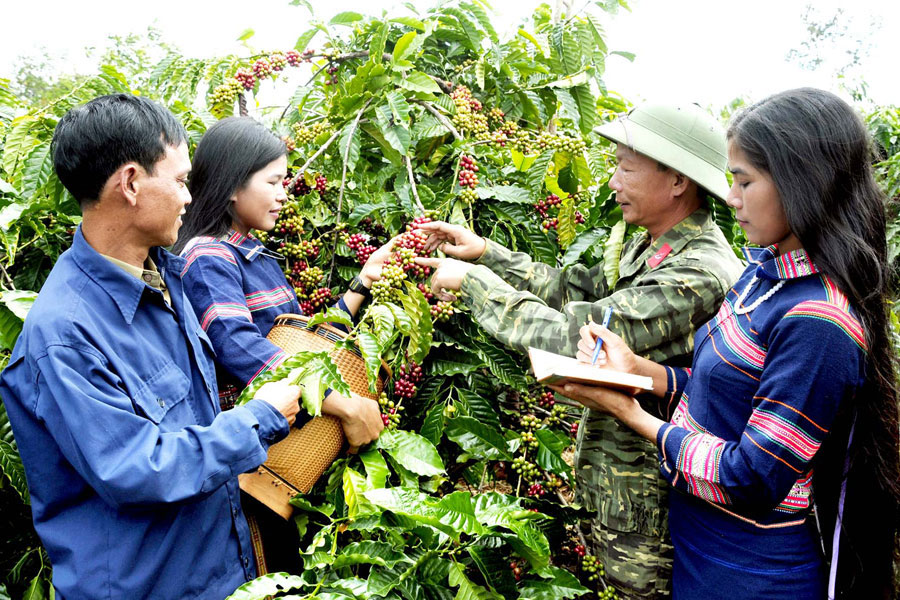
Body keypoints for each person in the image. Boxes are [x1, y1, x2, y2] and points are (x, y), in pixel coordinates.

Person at [555, 88, 900, 598]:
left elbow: (752, 478)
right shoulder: (765, 273)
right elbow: (726, 395)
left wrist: (631, 414)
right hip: (701, 549)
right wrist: (639, 370)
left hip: (749, 572)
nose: (731, 197)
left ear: (803, 183)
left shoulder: (818, 322)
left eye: (744, 181)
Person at [416, 103, 744, 598]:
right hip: (615, 489)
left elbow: (582, 336)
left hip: (650, 501)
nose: (613, 181)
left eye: (625, 168)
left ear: (677, 181)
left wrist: (475, 286)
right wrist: (487, 254)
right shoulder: (651, 245)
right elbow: (574, 290)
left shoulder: (699, 271)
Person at [0, 94, 304, 599]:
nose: (190, 197)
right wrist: (259, 416)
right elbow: (138, 468)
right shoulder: (65, 336)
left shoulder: (163, 277)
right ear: (132, 183)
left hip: (220, 572)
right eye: (181, 180)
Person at [173, 117, 385, 450]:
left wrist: (364, 280)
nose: (283, 195)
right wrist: (345, 404)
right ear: (231, 186)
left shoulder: (257, 256)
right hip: (251, 454)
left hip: (285, 444)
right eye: (273, 182)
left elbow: (300, 344)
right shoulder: (207, 254)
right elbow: (236, 345)